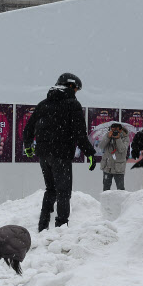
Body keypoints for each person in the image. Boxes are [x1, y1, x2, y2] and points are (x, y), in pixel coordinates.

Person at [22, 73, 97, 232]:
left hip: (43, 154)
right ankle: (61, 227)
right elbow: (80, 133)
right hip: (61, 154)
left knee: (51, 189)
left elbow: (29, 127)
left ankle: (43, 226)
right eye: (76, 89)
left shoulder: (43, 104)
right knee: (63, 191)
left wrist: (28, 145)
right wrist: (89, 153)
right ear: (70, 86)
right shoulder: (72, 104)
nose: (76, 93)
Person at [100, 123, 129, 191]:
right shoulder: (108, 135)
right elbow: (101, 146)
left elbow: (122, 149)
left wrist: (118, 139)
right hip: (107, 166)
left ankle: (121, 201)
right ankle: (105, 201)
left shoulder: (125, 137)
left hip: (118, 168)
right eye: (112, 130)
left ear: (121, 130)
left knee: (120, 189)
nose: (114, 132)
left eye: (116, 130)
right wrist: (108, 137)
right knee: (106, 189)